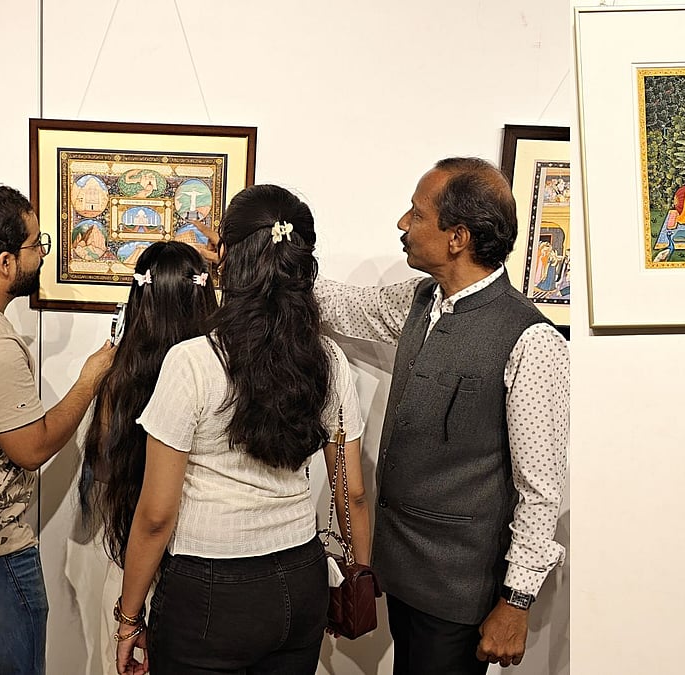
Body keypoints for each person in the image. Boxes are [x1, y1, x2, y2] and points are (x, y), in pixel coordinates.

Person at [315, 157, 570, 673]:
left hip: (459, 591)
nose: (402, 224)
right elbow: (345, 305)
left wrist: (516, 603)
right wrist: (274, 260)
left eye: (416, 214)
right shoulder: (421, 300)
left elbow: (540, 491)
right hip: (401, 573)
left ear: (457, 237)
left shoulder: (533, 339)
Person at [113, 185, 370, 674]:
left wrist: (128, 617)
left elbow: (156, 516)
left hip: (211, 589)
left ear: (227, 258)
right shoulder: (328, 360)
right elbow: (352, 493)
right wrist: (357, 574)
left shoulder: (192, 362)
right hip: (301, 576)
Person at [0, 185, 114, 675]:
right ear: (5, 263)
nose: (42, 253)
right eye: (35, 244)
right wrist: (89, 381)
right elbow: (31, 446)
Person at [70, 241, 216, 673]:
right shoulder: (222, 372)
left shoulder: (118, 377)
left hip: (130, 554)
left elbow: (103, 469)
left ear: (138, 298)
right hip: (201, 561)